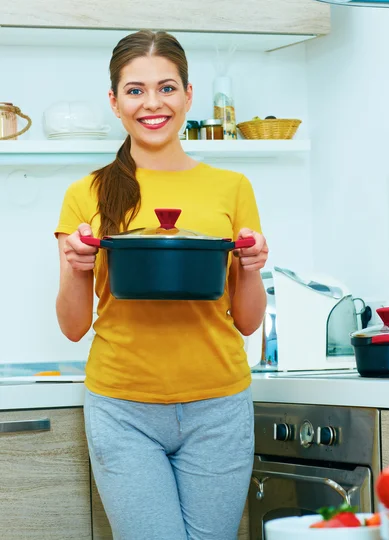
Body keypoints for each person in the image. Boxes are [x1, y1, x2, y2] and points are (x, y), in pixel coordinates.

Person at [54, 30, 268, 540]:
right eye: (135, 90)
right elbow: (72, 326)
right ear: (114, 102)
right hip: (122, 407)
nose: (153, 104)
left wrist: (254, 266)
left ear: (189, 95)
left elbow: (247, 321)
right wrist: (76, 267)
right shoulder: (87, 193)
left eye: (167, 88)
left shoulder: (231, 188)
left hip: (219, 406)